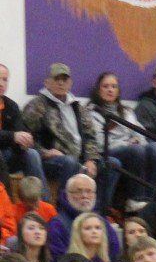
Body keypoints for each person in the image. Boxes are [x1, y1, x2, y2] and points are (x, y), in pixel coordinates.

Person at [86, 71, 156, 213]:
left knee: (155, 148)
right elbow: (97, 141)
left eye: (113, 86)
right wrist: (127, 143)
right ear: (98, 90)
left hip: (130, 147)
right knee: (136, 150)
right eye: (106, 86)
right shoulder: (92, 112)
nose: (110, 90)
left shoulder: (127, 112)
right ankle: (136, 198)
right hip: (107, 150)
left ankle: (151, 198)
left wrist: (136, 139)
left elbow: (141, 133)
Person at [21, 62, 101, 192]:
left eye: (64, 79)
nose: (61, 83)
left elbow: (90, 136)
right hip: (50, 160)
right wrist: (45, 152)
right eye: (56, 79)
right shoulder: (36, 106)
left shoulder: (79, 108)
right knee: (69, 162)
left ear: (70, 83)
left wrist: (91, 159)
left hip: (80, 158)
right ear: (47, 83)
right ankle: (63, 205)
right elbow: (26, 139)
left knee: (111, 164)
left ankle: (101, 209)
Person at [47, 173, 121, 262]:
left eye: (89, 191)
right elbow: (58, 261)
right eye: (78, 191)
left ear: (94, 195)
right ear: (67, 194)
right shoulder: (57, 225)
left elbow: (114, 253)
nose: (84, 195)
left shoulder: (102, 222)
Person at [0, 63, 43, 187]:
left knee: (32, 154)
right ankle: (5, 203)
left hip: (8, 154)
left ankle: (41, 202)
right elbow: (14, 135)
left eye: (5, 79)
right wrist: (13, 136)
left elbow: (19, 130)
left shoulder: (11, 106)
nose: (1, 83)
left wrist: (25, 140)